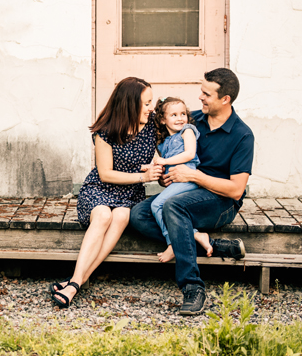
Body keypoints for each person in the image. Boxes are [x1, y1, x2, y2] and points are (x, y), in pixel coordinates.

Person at [130, 68, 254, 316]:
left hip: (219, 202)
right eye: (201, 91)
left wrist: (193, 175)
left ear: (225, 99)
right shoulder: (190, 120)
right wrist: (168, 178)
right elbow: (171, 153)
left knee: (173, 207)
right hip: (185, 190)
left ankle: (192, 287)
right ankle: (211, 244)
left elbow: (236, 190)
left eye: (206, 94)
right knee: (138, 214)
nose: (200, 97)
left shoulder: (242, 135)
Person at [51, 77, 162, 309]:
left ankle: (74, 282)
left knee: (121, 216)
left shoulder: (153, 123)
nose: (151, 108)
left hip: (130, 193)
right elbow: (106, 174)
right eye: (146, 103)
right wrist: (144, 176)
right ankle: (77, 282)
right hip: (100, 189)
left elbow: (181, 118)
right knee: (103, 216)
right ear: (130, 104)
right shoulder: (106, 131)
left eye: (152, 102)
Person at [148, 96, 213, 263]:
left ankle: (172, 244)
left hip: (188, 179)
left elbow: (190, 154)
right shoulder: (164, 142)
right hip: (176, 182)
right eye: (174, 115)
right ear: (163, 120)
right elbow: (164, 168)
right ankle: (196, 234)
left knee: (157, 204)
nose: (180, 118)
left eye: (183, 113)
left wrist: (165, 161)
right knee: (159, 208)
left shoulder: (188, 131)